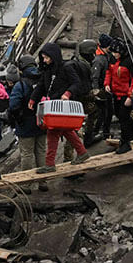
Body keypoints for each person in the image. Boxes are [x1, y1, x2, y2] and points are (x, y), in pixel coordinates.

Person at [34, 43, 89, 173]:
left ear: (54, 56)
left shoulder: (66, 68)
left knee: (53, 132)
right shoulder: (47, 70)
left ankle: (50, 164)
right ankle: (81, 152)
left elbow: (76, 83)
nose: (45, 61)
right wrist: (33, 98)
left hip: (62, 106)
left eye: (47, 58)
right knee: (65, 130)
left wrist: (67, 93)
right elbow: (41, 86)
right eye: (43, 58)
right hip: (54, 106)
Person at [8, 57, 45, 170]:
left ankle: (26, 184)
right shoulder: (43, 79)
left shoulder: (20, 85)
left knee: (27, 154)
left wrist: (16, 119)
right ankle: (43, 181)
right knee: (41, 151)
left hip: (25, 123)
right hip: (42, 121)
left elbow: (13, 105)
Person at [103, 40, 133, 154]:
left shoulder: (129, 62)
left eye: (116, 53)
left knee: (123, 118)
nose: (114, 55)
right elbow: (109, 72)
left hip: (125, 94)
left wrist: (130, 96)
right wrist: (107, 84)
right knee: (118, 114)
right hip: (115, 93)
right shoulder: (113, 59)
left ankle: (125, 142)